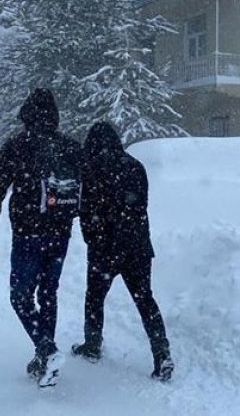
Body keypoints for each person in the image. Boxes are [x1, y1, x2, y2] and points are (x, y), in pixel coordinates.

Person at [0, 88, 83, 387]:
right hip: (60, 233)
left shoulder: (17, 146)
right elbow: (88, 189)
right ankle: (43, 355)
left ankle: (46, 350)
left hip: (28, 234)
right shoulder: (70, 147)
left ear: (26, 114)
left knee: (20, 296)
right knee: (48, 293)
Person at [71, 122, 174, 382]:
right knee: (145, 300)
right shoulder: (135, 166)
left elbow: (85, 210)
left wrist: (92, 238)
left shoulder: (90, 169)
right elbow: (140, 206)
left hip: (104, 248)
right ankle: (162, 354)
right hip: (137, 246)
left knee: (94, 297)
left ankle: (92, 345)